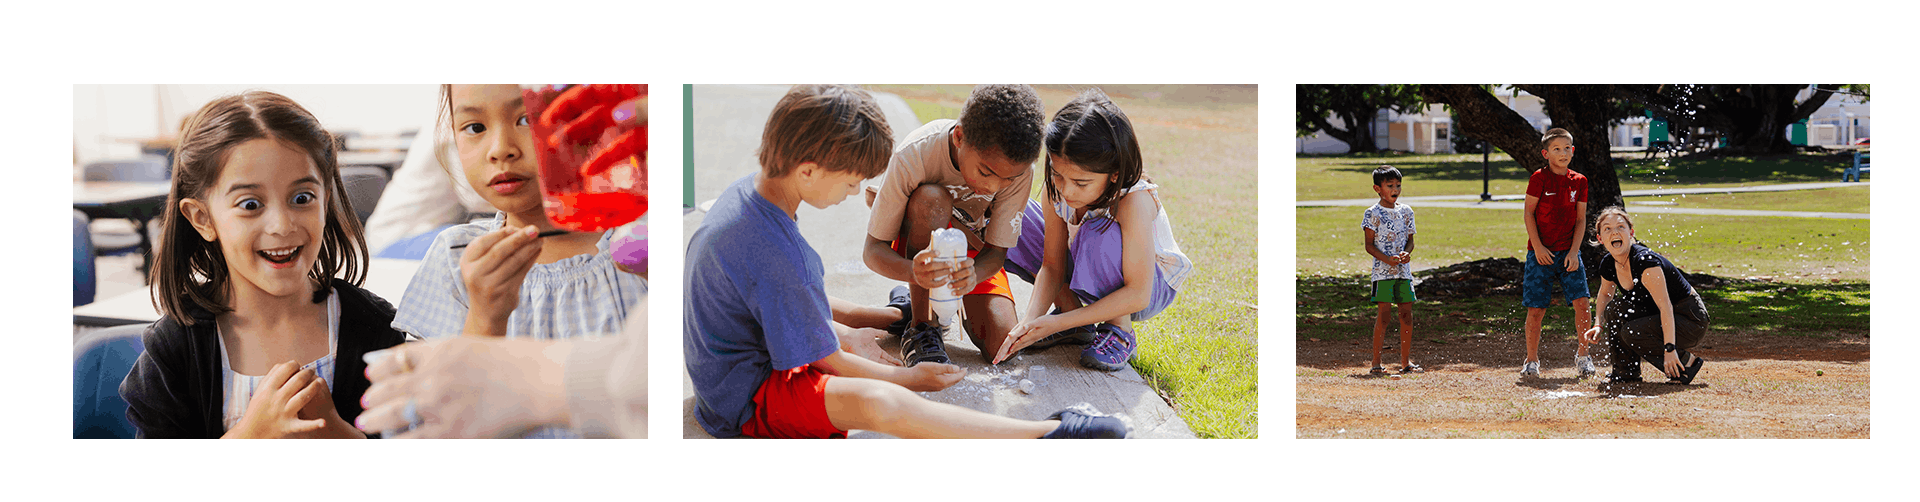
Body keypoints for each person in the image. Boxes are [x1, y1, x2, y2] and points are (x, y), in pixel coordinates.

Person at [685, 84, 1126, 438]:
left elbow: (782, 295)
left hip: (731, 371)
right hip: (748, 400)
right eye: (852, 180)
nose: (856, 193)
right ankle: (1047, 433)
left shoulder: (750, 197)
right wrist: (909, 381)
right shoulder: (783, 254)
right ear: (808, 171)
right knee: (879, 402)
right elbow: (830, 361)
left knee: (842, 336)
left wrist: (847, 334)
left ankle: (893, 312)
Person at [122, 90, 404, 438]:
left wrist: (338, 433)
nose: (282, 226)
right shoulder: (174, 349)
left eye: (302, 198)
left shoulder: (375, 330)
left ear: (325, 201)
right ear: (202, 218)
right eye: (250, 204)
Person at [389, 84, 644, 438]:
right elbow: (434, 420)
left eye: (526, 119)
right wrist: (484, 316)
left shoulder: (635, 244)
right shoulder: (454, 257)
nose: (500, 150)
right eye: (475, 128)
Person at [991, 88, 1193, 371]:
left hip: (1146, 287)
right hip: (1089, 263)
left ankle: (1119, 332)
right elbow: (1051, 265)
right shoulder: (1057, 191)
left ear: (1113, 174)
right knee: (1018, 220)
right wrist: (1030, 323)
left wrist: (1053, 324)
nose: (1067, 190)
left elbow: (1138, 292)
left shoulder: (1132, 200)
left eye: (1081, 183)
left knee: (1097, 233)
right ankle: (1073, 316)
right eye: (1057, 174)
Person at [862, 84, 1046, 366]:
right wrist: (914, 272)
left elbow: (996, 252)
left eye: (1007, 179)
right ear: (959, 136)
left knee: (1001, 345)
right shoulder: (916, 153)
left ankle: (911, 306)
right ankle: (921, 325)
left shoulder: (1018, 171)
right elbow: (873, 251)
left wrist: (975, 273)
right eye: (986, 171)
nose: (993, 185)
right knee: (932, 199)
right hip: (920, 245)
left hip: (971, 249)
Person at [1582, 207, 1709, 384]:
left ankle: (1685, 363)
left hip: (1689, 319)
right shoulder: (1609, 263)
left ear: (1631, 232)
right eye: (1607, 229)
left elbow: (1666, 306)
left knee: (1631, 331)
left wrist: (1670, 349)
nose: (1615, 232)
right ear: (1600, 238)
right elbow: (1605, 293)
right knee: (1615, 309)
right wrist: (1598, 325)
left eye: (1620, 227)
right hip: (1663, 315)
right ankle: (1625, 373)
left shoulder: (1645, 262)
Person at [1520, 127, 1595, 378]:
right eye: (1556, 149)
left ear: (1572, 151)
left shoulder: (1580, 181)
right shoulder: (1538, 179)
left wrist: (1574, 252)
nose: (1563, 153)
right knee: (1536, 309)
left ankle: (1584, 356)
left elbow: (1581, 219)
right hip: (1540, 254)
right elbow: (1529, 213)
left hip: (1569, 254)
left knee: (1582, 304)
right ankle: (1531, 360)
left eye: (1566, 149)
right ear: (1546, 153)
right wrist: (1539, 247)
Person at [1361, 165, 1420, 375]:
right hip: (1382, 274)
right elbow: (1369, 245)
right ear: (1377, 188)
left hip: (1403, 273)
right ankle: (1376, 362)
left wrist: (1406, 254)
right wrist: (1387, 259)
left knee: (1406, 315)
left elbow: (1410, 241)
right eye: (1390, 186)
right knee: (1384, 316)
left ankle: (1405, 362)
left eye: (1398, 185)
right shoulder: (1372, 213)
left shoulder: (1406, 211)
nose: (1395, 189)